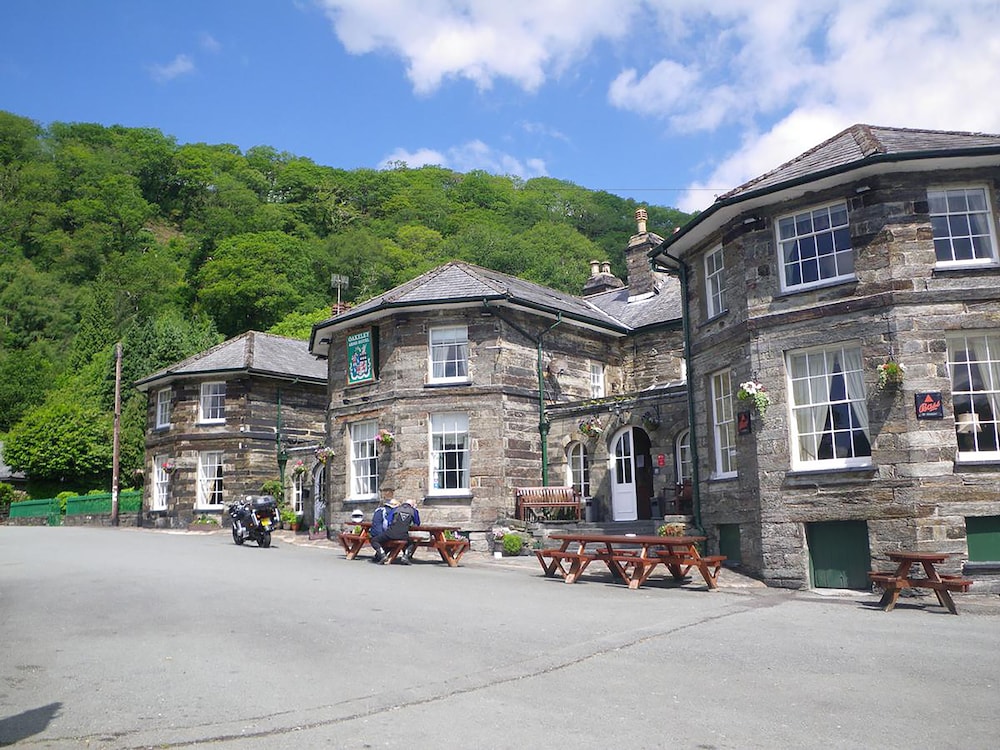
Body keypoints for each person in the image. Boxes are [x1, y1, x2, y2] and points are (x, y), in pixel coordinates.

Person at [382, 499, 420, 565]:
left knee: (379, 539)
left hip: (391, 532)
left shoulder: (396, 509)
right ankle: (405, 556)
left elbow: (389, 520)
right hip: (403, 534)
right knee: (410, 542)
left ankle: (381, 554)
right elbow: (417, 523)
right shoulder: (413, 511)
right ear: (412, 505)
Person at [368, 499, 393, 563]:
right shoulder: (387, 511)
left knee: (376, 540)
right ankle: (382, 555)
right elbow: (385, 524)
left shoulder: (377, 510)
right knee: (390, 540)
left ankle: (379, 555)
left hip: (373, 532)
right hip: (380, 532)